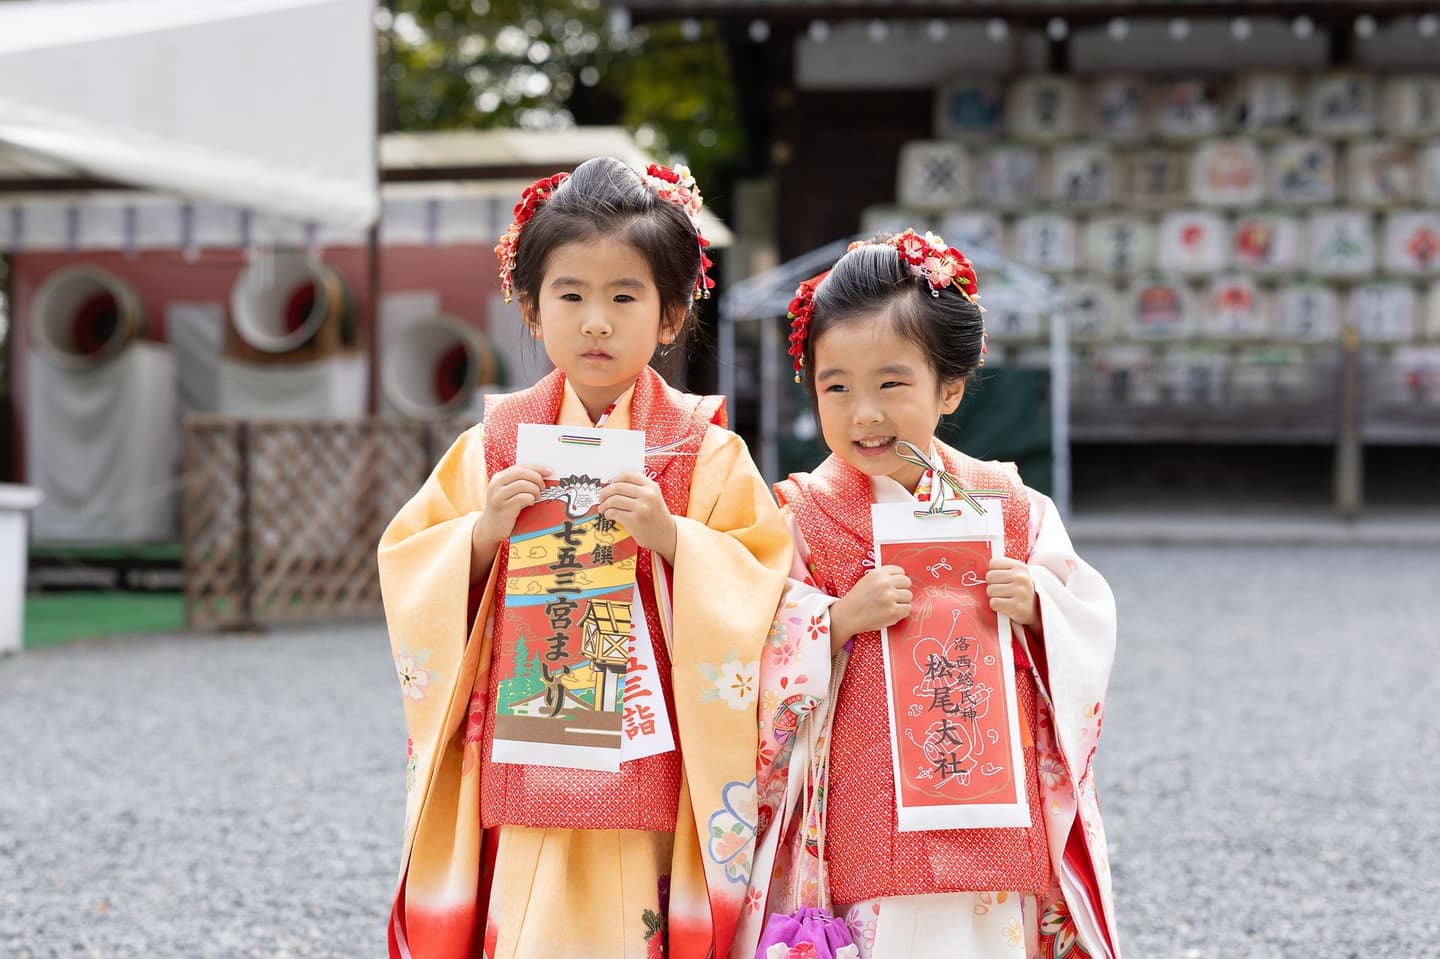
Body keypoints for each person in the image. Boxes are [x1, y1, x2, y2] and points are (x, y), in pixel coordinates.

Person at [379, 157, 790, 959]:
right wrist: (481, 535)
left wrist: (675, 539)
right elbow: (410, 559)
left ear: (672, 315)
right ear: (532, 310)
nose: (596, 321)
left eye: (625, 297)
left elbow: (765, 573)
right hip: (529, 730)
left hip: (650, 741)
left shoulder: (702, 449)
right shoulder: (495, 445)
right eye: (570, 295)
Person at [735, 231, 1121, 959]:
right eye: (837, 387)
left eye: (891, 384)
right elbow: (746, 639)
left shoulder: (1009, 505)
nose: (864, 413)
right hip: (861, 798)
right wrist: (835, 620)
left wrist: (1038, 603)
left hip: (988, 793)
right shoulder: (801, 515)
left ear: (949, 387)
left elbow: (1086, 617)